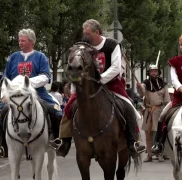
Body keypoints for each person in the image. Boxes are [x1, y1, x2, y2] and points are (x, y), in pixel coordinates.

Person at [52, 19, 145, 157]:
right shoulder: (82, 47)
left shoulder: (112, 45)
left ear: (97, 32)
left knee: (128, 107)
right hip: (86, 86)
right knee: (68, 108)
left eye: (88, 33)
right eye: (84, 33)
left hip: (111, 84)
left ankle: (133, 142)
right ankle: (64, 141)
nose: (85, 36)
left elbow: (115, 67)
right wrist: (74, 87)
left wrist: (99, 80)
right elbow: (76, 68)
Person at [0, 29, 63, 149]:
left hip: (38, 93)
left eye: (22, 40)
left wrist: (25, 83)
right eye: (19, 40)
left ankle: (55, 140)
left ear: (31, 41)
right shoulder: (13, 57)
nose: (20, 43)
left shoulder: (40, 57)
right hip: (15, 95)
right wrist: (4, 94)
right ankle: (3, 146)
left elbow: (46, 76)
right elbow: (5, 78)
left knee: (57, 112)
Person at [136, 64, 170, 162]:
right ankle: (150, 154)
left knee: (159, 133)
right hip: (148, 111)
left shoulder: (163, 84)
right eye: (152, 71)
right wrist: (139, 87)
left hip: (159, 111)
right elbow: (141, 93)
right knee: (148, 134)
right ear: (149, 73)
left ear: (158, 72)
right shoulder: (145, 83)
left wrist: (167, 110)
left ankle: (160, 153)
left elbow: (167, 99)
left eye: (155, 71)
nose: (154, 73)